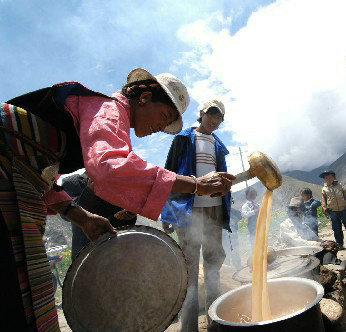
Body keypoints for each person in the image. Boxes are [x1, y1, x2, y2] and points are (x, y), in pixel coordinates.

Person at [1, 68, 234, 331]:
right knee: (23, 293)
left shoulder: (101, 124)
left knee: (29, 286)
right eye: (164, 116)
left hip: (22, 183)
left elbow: (44, 181)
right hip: (7, 174)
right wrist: (195, 184)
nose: (161, 127)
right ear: (144, 97)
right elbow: (110, 168)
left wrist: (82, 217)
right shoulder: (107, 108)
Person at [161, 99, 230, 332]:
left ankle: (215, 322)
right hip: (188, 211)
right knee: (190, 270)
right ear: (201, 113)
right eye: (211, 114)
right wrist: (168, 213)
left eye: (219, 117)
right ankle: (188, 328)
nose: (214, 120)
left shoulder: (219, 146)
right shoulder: (183, 139)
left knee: (213, 266)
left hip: (214, 210)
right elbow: (169, 175)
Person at [61, 173, 138, 261]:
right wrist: (89, 192)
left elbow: (120, 223)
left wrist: (129, 216)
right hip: (85, 254)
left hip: (115, 254)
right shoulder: (73, 182)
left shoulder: (119, 187)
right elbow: (65, 215)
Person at [320, 170, 346, 250]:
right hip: (333, 211)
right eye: (325, 178)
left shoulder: (339, 186)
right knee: (336, 228)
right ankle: (340, 244)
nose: (327, 179)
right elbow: (323, 200)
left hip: (344, 209)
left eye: (329, 177)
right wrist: (325, 210)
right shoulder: (324, 189)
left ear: (334, 177)